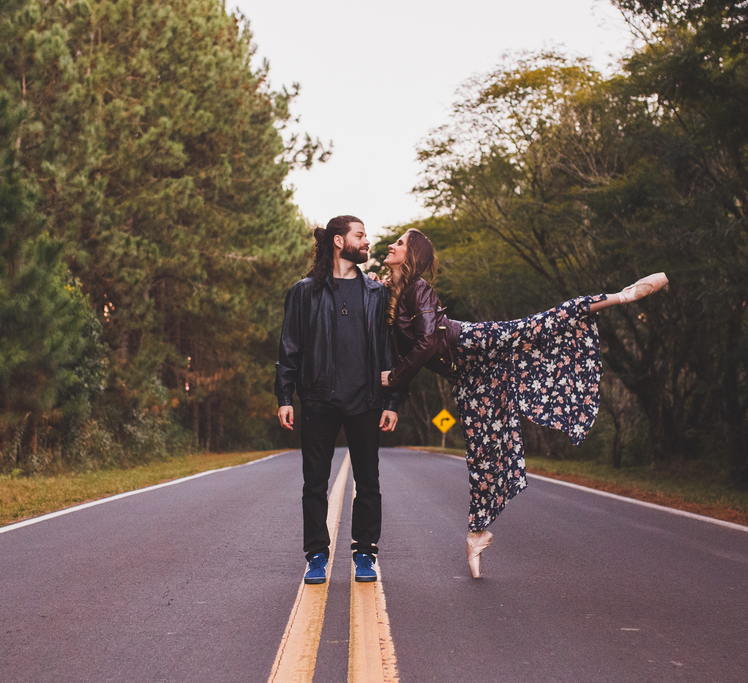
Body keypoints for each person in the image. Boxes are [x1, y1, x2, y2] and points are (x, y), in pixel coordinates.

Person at [380, 228, 666, 578]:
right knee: (483, 449)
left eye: (400, 243)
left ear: (411, 256)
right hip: (468, 375)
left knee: (532, 327)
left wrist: (395, 378)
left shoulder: (417, 288)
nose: (391, 245)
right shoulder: (392, 291)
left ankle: (618, 298)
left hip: (471, 343)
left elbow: (425, 343)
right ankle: (477, 532)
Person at [276, 215, 401, 586]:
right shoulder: (303, 292)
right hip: (318, 399)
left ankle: (365, 553)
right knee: (314, 483)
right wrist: (285, 396)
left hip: (366, 400)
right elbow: (289, 348)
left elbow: (389, 352)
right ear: (337, 241)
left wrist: (392, 401)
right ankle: (316, 556)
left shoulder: (377, 293)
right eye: (360, 235)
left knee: (369, 480)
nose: (367, 241)